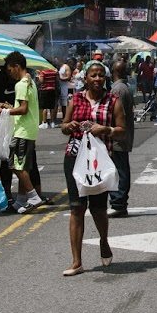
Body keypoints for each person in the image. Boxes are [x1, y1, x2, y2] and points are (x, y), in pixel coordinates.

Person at [61, 60, 125, 276]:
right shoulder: (75, 99)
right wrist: (68, 126)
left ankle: (104, 242)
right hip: (75, 157)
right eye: (93, 75)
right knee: (76, 207)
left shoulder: (113, 100)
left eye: (101, 75)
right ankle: (76, 261)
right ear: (85, 78)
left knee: (98, 208)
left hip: (100, 160)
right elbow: (64, 125)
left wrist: (104, 129)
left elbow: (121, 129)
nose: (97, 79)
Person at [0, 51, 43, 214]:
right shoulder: (30, 81)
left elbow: (23, 109)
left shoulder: (21, 84)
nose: (9, 73)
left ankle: (33, 197)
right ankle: (20, 200)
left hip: (22, 130)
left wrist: (3, 112)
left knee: (15, 165)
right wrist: (9, 107)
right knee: (23, 166)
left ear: (16, 66)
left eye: (9, 70)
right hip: (29, 129)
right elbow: (24, 107)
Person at [109, 58, 135, 217]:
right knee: (120, 168)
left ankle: (119, 203)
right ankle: (119, 202)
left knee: (119, 170)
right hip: (121, 135)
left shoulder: (117, 89)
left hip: (118, 136)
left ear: (114, 72)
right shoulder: (123, 87)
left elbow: (115, 113)